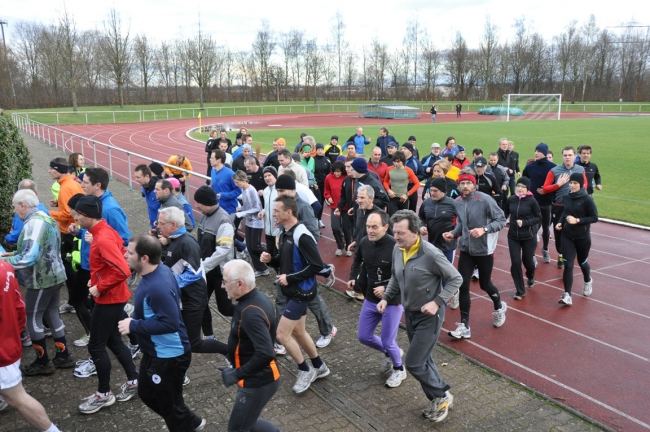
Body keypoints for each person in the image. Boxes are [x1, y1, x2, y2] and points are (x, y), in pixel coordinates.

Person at [378, 210, 461, 423]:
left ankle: (442, 395)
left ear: (415, 232)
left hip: (429, 317)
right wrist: (387, 297)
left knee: (414, 363)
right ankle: (436, 399)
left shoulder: (431, 254)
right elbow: (397, 278)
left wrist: (436, 302)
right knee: (425, 360)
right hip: (411, 314)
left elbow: (455, 278)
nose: (395, 237)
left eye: (401, 233)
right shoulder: (398, 249)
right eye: (394, 232)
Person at [118, 235, 207, 431]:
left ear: (144, 258)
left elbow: (171, 323)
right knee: (147, 393)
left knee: (169, 406)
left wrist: (134, 326)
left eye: (130, 253)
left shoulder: (158, 286)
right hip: (155, 350)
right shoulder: (158, 271)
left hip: (170, 356)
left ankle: (184, 425)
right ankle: (191, 421)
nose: (125, 255)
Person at [73, 196, 139, 414]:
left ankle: (103, 394)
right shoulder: (103, 231)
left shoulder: (101, 237)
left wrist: (100, 287)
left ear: (86, 216)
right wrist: (98, 278)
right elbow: (119, 250)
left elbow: (123, 270)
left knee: (96, 346)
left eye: (77, 215)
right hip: (112, 296)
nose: (75, 218)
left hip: (109, 298)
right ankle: (134, 380)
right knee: (113, 340)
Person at [261, 196, 330, 394]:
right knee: (299, 332)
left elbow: (317, 265)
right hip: (293, 290)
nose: (273, 214)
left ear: (288, 212)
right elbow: (284, 261)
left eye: (276, 210)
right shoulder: (284, 233)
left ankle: (305, 370)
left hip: (301, 292)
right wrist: (270, 260)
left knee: (282, 334)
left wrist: (290, 278)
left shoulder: (302, 235)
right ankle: (319, 366)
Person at [1, 190, 73, 375]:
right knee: (52, 314)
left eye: (16, 207)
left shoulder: (33, 223)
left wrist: (3, 262)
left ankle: (43, 362)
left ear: (23, 205)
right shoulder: (44, 216)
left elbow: (30, 258)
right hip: (56, 275)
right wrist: (11, 255)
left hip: (42, 279)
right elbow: (37, 250)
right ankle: (63, 356)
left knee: (32, 318)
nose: (15, 212)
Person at [443, 169, 508, 340]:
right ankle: (464, 325)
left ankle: (499, 306)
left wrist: (484, 229)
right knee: (462, 284)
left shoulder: (485, 200)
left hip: (484, 250)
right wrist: (453, 233)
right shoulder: (457, 202)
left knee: (485, 284)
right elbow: (461, 226)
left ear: (474, 185)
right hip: (465, 249)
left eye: (468, 183)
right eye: (462, 183)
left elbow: (501, 220)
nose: (465, 186)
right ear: (458, 185)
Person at [0, 261, 62, 432]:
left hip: (3, 352)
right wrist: (18, 332)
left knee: (17, 398)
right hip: (9, 342)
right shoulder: (5, 267)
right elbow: (19, 303)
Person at [219, 260, 281, 431]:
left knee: (237, 429)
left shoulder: (250, 312)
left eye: (224, 281)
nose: (222, 286)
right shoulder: (253, 299)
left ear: (240, 283)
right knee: (249, 423)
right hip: (254, 378)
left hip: (257, 382)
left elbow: (266, 353)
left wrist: (237, 374)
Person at [158, 207, 227, 359]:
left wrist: (167, 284)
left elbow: (193, 274)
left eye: (161, 223)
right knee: (178, 337)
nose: (158, 225)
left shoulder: (187, 244)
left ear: (173, 225)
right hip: (182, 299)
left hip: (192, 301)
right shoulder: (174, 240)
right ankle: (178, 371)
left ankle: (229, 351)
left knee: (193, 343)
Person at [348, 211, 406, 387]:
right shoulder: (365, 242)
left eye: (374, 227)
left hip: (393, 300)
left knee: (388, 340)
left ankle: (399, 369)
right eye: (368, 227)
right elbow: (357, 261)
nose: (370, 230)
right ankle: (392, 352)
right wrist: (353, 276)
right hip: (371, 298)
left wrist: (387, 288)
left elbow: (405, 276)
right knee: (364, 336)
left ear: (386, 227)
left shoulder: (396, 247)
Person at [193, 186, 235, 341]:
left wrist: (204, 265)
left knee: (226, 309)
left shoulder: (224, 221)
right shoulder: (204, 216)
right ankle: (209, 336)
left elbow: (223, 250)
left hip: (220, 273)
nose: (196, 205)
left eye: (199, 202)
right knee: (201, 303)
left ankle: (249, 315)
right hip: (206, 270)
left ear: (207, 202)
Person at [556, 172, 598, 305]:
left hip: (582, 237)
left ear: (581, 184)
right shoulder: (566, 197)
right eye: (571, 183)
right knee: (568, 264)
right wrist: (561, 222)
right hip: (567, 235)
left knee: (582, 262)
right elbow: (566, 212)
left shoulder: (587, 200)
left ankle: (587, 280)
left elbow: (594, 217)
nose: (572, 185)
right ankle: (567, 294)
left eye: (575, 183)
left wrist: (578, 220)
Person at [542, 146, 587, 269]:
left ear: (574, 156)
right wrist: (558, 184)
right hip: (559, 206)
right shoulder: (554, 171)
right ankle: (561, 254)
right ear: (562, 156)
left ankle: (571, 257)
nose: (567, 157)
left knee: (576, 232)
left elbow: (585, 186)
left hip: (576, 208)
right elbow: (545, 188)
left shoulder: (580, 169)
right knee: (559, 233)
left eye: (570, 155)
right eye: (565, 155)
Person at [47, 156, 84, 304]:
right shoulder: (69, 184)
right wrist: (59, 204)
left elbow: (69, 213)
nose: (49, 171)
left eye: (51, 169)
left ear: (58, 170)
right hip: (72, 230)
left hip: (70, 232)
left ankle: (75, 301)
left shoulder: (66, 186)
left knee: (69, 268)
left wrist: (48, 212)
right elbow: (72, 204)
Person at [503, 177, 542, 300]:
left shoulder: (532, 202)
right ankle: (520, 290)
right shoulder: (511, 200)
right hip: (513, 236)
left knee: (528, 262)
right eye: (518, 186)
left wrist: (525, 223)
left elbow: (538, 218)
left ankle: (530, 275)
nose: (519, 188)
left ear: (527, 188)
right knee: (515, 262)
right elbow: (504, 213)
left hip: (528, 236)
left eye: (522, 186)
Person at [522, 143, 556, 264]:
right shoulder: (530, 167)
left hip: (547, 203)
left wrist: (549, 192)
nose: (536, 153)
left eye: (538, 151)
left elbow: (557, 184)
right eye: (535, 151)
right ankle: (532, 254)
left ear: (545, 153)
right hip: (533, 203)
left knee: (546, 227)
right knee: (533, 229)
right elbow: (523, 181)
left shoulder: (553, 167)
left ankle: (545, 249)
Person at [233, 170, 269, 276]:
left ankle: (272, 256)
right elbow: (248, 205)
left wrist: (242, 213)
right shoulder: (244, 190)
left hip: (256, 222)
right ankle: (261, 268)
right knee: (249, 245)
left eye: (237, 182)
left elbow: (257, 208)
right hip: (249, 221)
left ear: (243, 180)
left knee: (256, 246)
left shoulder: (251, 190)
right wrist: (241, 208)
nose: (236, 185)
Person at [3, 179, 50, 249]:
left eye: (14, 207)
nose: (14, 211)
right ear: (36, 192)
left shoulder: (23, 211)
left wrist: (7, 238)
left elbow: (18, 234)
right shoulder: (43, 209)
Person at [324, 161, 352, 256]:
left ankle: (348, 246)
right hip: (334, 206)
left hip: (346, 207)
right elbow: (326, 190)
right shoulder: (328, 177)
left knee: (346, 228)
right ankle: (340, 245)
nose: (337, 173)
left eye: (339, 171)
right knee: (335, 227)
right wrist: (328, 197)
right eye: (335, 171)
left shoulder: (347, 178)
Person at [383, 151, 420, 215]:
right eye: (394, 161)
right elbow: (385, 182)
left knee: (403, 219)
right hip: (392, 198)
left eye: (398, 162)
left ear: (402, 161)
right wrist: (389, 190)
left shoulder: (408, 171)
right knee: (392, 219)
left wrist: (407, 194)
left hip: (403, 199)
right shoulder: (389, 169)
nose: (396, 164)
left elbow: (417, 184)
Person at [259, 167, 281, 261]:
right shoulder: (266, 191)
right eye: (265, 176)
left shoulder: (280, 191)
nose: (267, 178)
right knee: (270, 256)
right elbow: (267, 206)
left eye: (269, 175)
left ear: (275, 176)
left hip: (278, 231)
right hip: (268, 231)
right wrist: (263, 212)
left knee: (279, 257)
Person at [209, 149, 240, 217]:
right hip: (216, 208)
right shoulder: (213, 172)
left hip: (228, 210)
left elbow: (238, 191)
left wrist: (223, 195)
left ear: (219, 160)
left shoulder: (230, 174)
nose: (210, 159)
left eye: (212, 158)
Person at [313, 142, 331, 227]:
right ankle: (314, 218)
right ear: (316, 150)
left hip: (324, 185)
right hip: (316, 185)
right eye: (319, 150)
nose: (320, 151)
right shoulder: (313, 160)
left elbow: (329, 172)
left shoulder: (327, 160)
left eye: (321, 150)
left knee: (322, 202)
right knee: (317, 202)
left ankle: (319, 219)